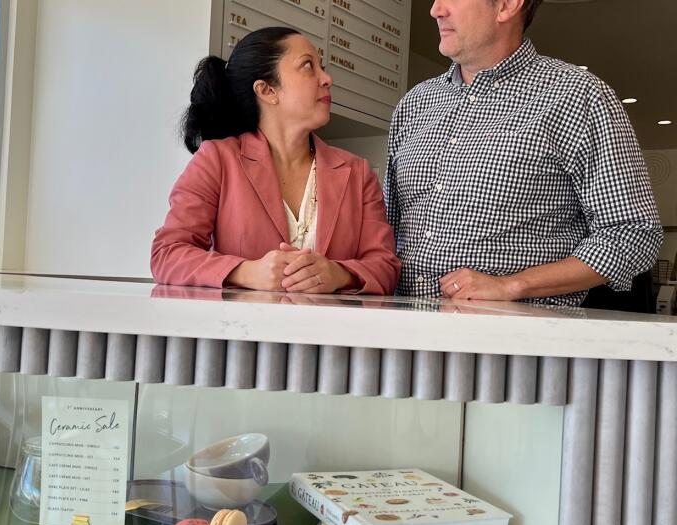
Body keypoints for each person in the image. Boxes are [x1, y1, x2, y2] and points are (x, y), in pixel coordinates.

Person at [383, 0, 663, 306]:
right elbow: (387, 231)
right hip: (406, 333)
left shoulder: (578, 97)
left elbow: (633, 233)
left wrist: (513, 286)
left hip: (519, 340)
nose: (435, 10)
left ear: (506, 6)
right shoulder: (414, 104)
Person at [151, 27, 400, 295]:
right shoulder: (217, 160)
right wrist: (246, 272)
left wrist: (339, 274)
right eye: (308, 66)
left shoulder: (358, 173)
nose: (327, 78)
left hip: (330, 335)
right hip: (240, 334)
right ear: (267, 90)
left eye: (322, 67)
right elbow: (167, 254)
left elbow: (385, 267)